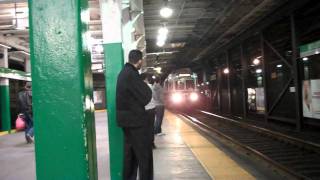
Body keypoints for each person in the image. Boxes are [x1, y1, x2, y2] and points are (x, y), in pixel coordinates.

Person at [116, 50, 153, 180]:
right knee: (144, 155)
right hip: (135, 121)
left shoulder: (123, 73)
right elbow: (146, 96)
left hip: (126, 121)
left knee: (130, 155)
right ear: (139, 61)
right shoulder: (131, 74)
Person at [141, 73, 156, 149]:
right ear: (146, 79)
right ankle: (152, 143)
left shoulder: (138, 87)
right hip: (151, 109)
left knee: (144, 127)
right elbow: (154, 96)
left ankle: (145, 143)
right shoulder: (150, 86)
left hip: (143, 110)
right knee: (151, 127)